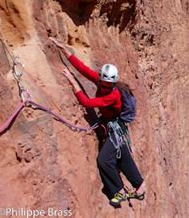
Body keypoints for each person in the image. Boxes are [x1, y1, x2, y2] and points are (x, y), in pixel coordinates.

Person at [50, 37, 146, 207]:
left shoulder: (113, 95)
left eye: (109, 85)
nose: (105, 87)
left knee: (104, 160)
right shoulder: (102, 83)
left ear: (113, 83)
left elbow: (87, 103)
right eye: (103, 84)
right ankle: (140, 187)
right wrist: (64, 49)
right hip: (115, 126)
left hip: (116, 128)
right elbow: (84, 70)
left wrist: (72, 82)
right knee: (123, 156)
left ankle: (119, 191)